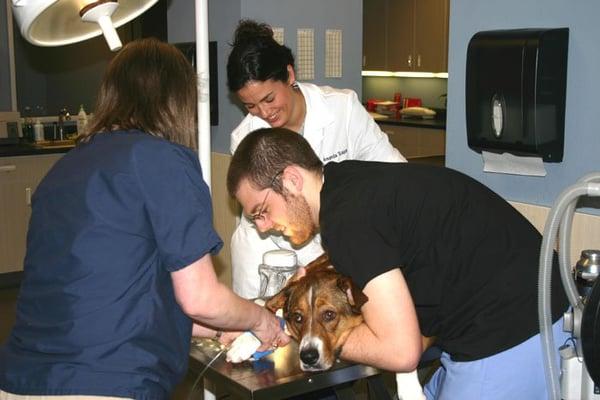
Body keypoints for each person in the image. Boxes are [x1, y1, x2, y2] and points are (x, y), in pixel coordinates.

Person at [0, 39, 288, 400]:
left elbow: (115, 297)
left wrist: (219, 329)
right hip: (105, 382)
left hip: (20, 379)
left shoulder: (63, 170)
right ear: (177, 101)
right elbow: (200, 297)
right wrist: (261, 320)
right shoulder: (162, 161)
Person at [226, 127, 571, 400]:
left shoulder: (347, 220)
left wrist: (306, 335)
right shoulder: (348, 185)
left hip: (512, 332)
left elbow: (400, 351)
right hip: (532, 311)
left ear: (291, 181)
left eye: (262, 211)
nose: (262, 226)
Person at [226, 19, 407, 299]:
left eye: (269, 98)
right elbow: (273, 217)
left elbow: (393, 173)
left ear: (288, 75)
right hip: (269, 255)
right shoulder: (246, 138)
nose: (264, 112)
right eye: (250, 106)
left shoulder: (342, 109)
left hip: (338, 248)